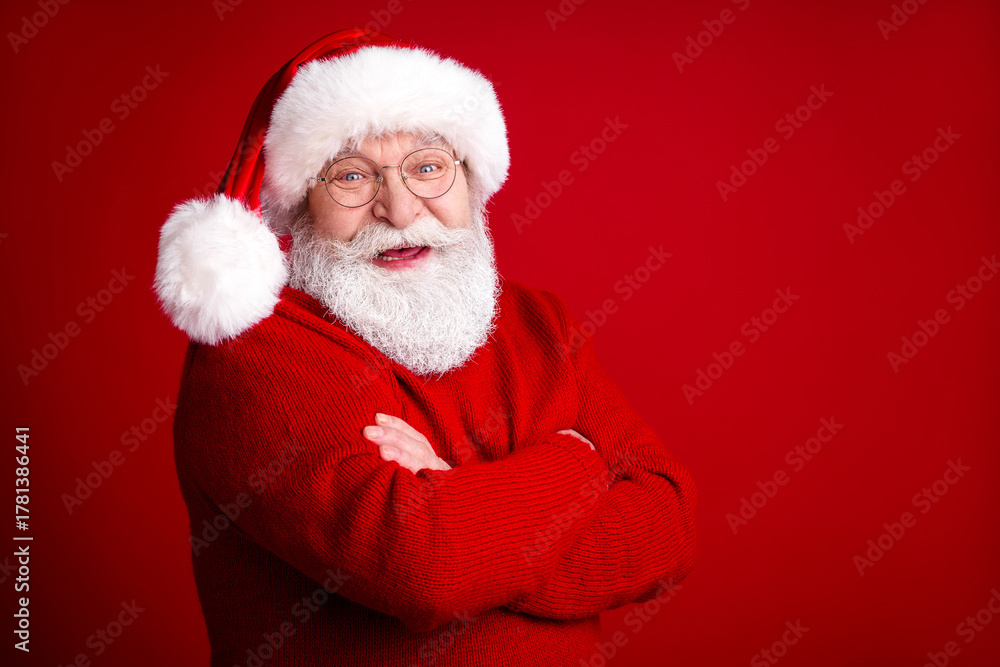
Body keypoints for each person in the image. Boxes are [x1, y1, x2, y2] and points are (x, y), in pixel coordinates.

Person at [154, 28, 696, 667]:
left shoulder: (540, 324)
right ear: (297, 206)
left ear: (472, 181)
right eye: (351, 177)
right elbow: (423, 567)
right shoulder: (257, 359)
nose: (402, 210)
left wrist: (459, 497)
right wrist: (574, 462)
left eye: (429, 167)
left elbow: (668, 525)